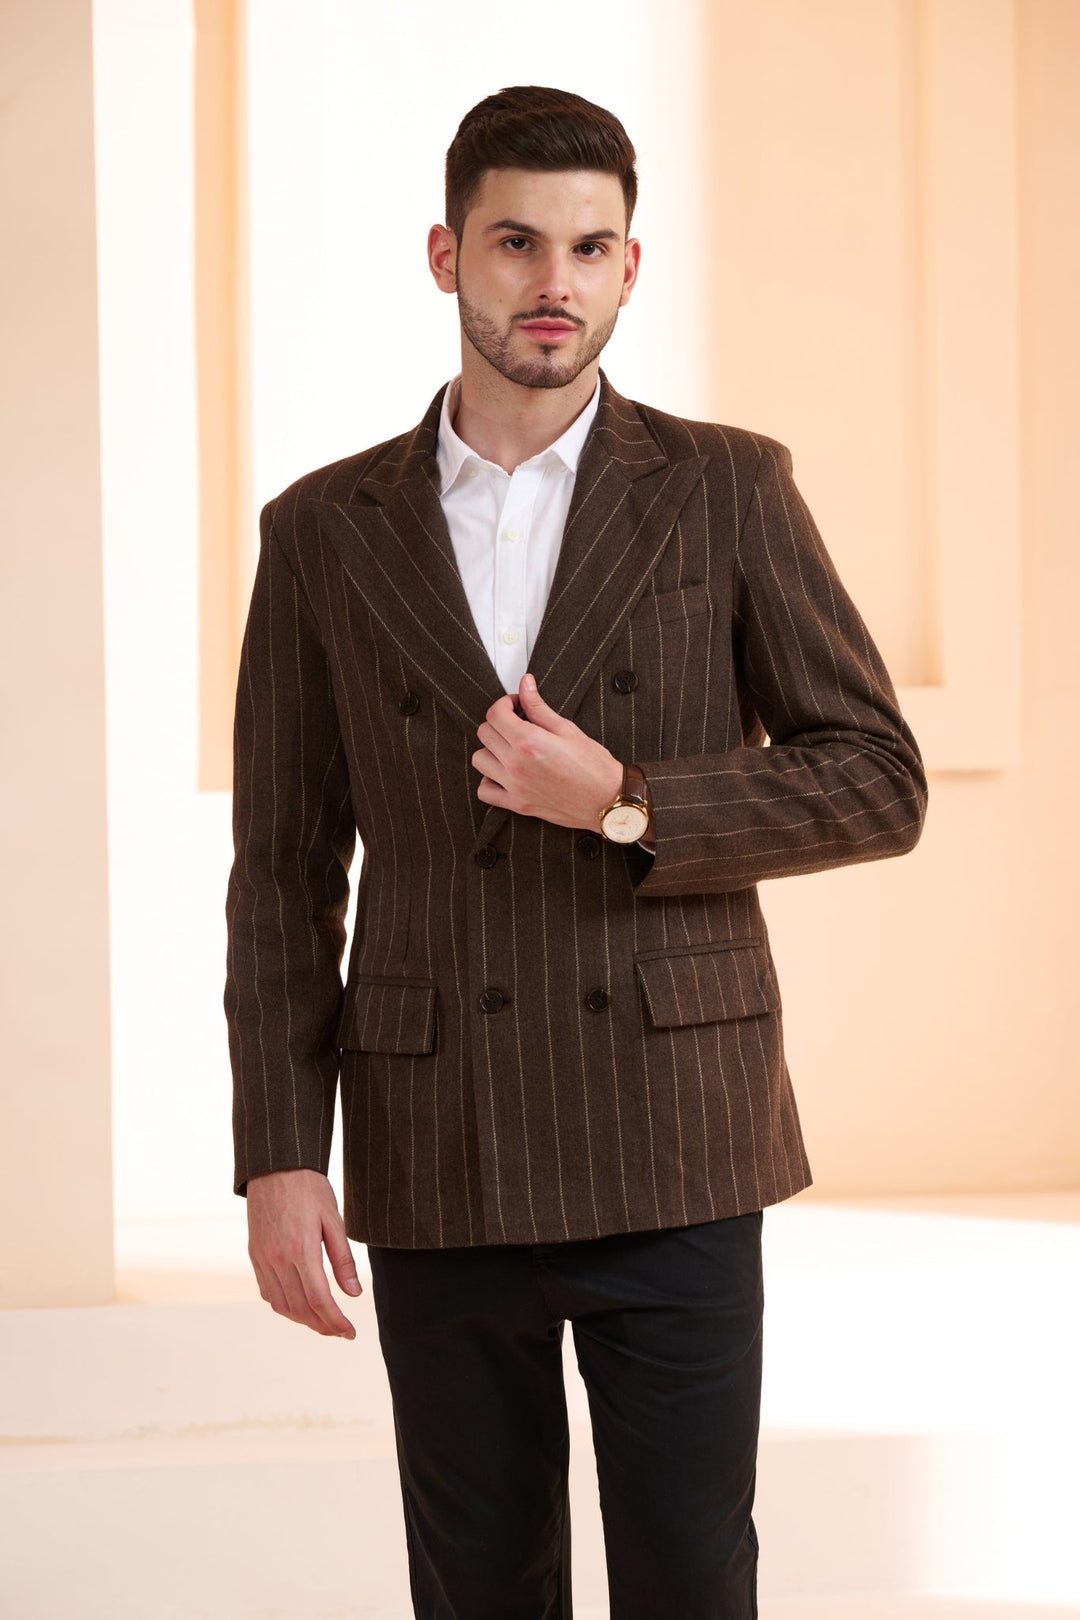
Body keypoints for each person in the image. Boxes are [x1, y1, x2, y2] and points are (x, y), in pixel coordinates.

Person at [224, 84, 927, 1620]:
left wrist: (628, 800)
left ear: (630, 266)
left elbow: (879, 779)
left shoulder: (728, 487)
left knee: (690, 1578)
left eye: (590, 247)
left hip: (673, 1131)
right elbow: (280, 867)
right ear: (446, 255)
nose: (555, 281)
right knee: (478, 1585)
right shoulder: (322, 528)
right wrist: (280, 1150)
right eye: (517, 243)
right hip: (437, 1132)